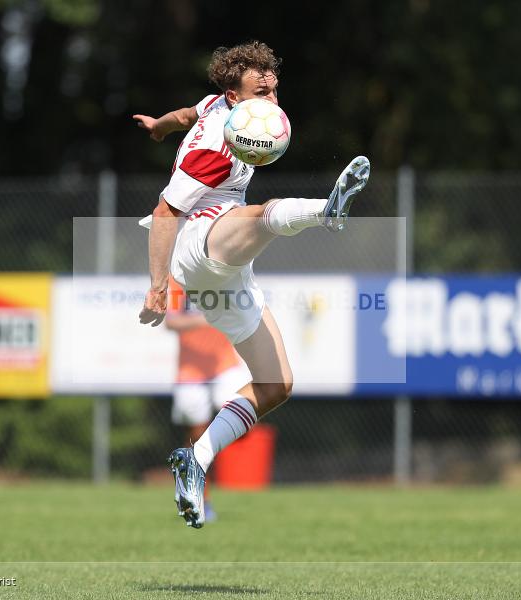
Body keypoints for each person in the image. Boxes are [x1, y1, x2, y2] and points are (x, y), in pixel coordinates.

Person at [134, 40, 370, 528]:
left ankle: (195, 458)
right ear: (234, 93)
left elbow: (187, 112)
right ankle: (325, 210)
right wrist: (157, 287)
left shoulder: (219, 106)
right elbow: (164, 212)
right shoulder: (215, 151)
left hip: (226, 270)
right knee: (263, 216)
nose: (270, 86)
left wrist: (160, 125)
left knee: (276, 383)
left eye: (272, 78)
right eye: (257, 79)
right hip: (198, 245)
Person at [165, 275, 250, 522]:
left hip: (225, 365)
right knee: (196, 437)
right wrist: (206, 319)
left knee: (244, 413)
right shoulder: (177, 281)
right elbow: (170, 322)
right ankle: (201, 499)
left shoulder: (223, 271)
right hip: (190, 370)